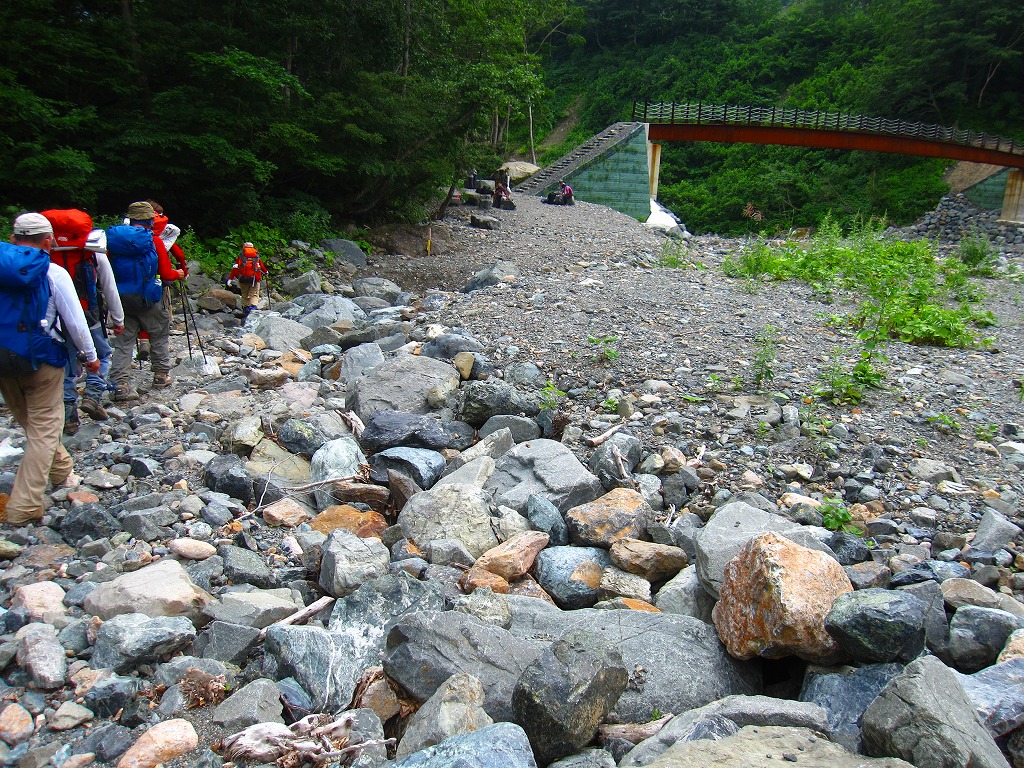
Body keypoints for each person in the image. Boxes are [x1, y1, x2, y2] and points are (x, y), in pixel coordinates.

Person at [0, 213, 100, 524]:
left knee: (32, 422)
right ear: (48, 241)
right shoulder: (52, 272)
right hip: (42, 358)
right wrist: (90, 356)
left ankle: (61, 470)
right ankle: (25, 507)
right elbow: (74, 320)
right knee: (44, 428)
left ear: (14, 237)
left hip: (2, 358)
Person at [40, 213, 125, 435]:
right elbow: (109, 289)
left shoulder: (44, 256)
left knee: (66, 366)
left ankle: (69, 416)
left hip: (55, 321)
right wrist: (118, 319)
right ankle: (93, 395)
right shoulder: (94, 254)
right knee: (103, 354)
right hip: (90, 316)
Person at [107, 201, 185, 401]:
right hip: (149, 297)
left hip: (121, 298)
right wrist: (179, 273)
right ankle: (160, 375)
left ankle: (120, 385)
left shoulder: (114, 241)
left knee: (124, 341)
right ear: (151, 219)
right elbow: (166, 274)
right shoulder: (154, 240)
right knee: (159, 333)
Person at [136, 200, 187, 362]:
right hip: (158, 281)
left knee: (137, 314)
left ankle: (143, 340)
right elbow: (178, 254)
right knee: (159, 316)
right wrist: (181, 272)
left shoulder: (129, 234)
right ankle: (160, 368)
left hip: (133, 281)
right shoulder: (162, 234)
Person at [227, 242, 268, 319]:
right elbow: (262, 266)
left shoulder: (242, 256)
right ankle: (253, 310)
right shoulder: (256, 256)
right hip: (255, 279)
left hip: (243, 279)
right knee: (254, 294)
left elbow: (235, 268)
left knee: (244, 294)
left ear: (244, 247)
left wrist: (230, 278)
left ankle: (246, 310)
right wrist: (266, 272)